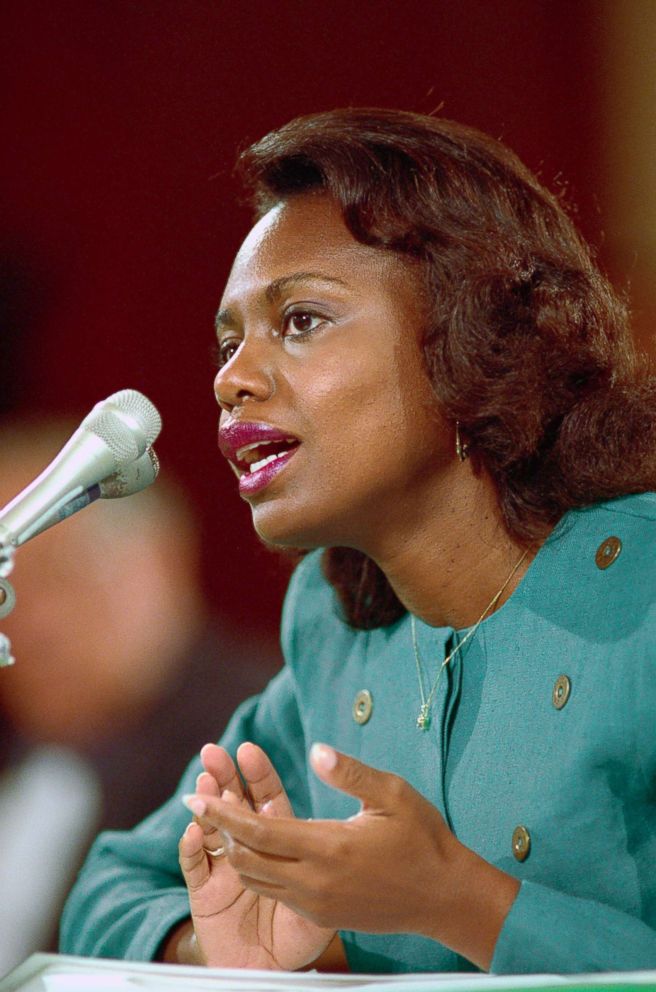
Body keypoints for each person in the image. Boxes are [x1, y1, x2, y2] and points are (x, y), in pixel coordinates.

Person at [60, 108, 656, 975]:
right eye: (229, 341)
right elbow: (107, 890)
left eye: (300, 320)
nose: (231, 378)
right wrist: (257, 947)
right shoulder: (340, 630)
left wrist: (459, 903)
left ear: (471, 337)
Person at [0, 420, 280, 976]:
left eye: (62, 575)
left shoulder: (265, 732)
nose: (31, 625)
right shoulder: (22, 745)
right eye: (6, 593)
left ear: (161, 561)